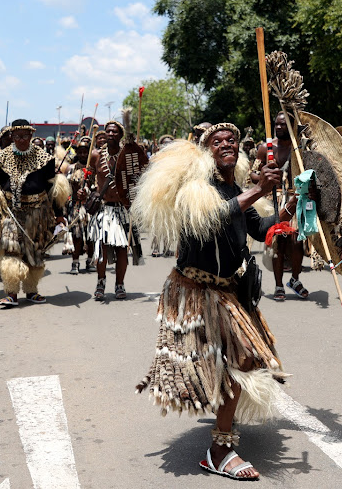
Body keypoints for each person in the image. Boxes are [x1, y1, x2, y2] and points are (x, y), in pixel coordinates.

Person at [133, 123, 296, 481]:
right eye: (217, 141)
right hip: (196, 292)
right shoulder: (196, 188)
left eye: (232, 140)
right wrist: (257, 189)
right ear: (206, 151)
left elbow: (259, 228)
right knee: (237, 361)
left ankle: (222, 438)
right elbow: (212, 217)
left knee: (241, 361)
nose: (227, 144)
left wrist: (292, 205)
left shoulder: (235, 187)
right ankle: (220, 449)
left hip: (230, 291)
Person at [0, 119, 70, 307]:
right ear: (11, 137)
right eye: (17, 136)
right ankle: (11, 293)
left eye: (25, 136)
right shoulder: (0, 158)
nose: (21, 139)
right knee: (10, 250)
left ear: (31, 136)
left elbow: (52, 189)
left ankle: (31, 290)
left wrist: (59, 214)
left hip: (37, 213)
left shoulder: (44, 158)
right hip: (10, 212)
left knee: (34, 252)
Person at [251, 111, 309, 301]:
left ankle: (295, 279)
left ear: (292, 126)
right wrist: (266, 177)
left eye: (283, 125)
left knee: (297, 242)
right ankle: (278, 285)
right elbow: (252, 175)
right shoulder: (266, 149)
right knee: (279, 242)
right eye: (276, 124)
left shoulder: (301, 149)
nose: (278, 127)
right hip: (274, 200)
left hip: (295, 198)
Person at [85, 119, 131, 300]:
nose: (111, 134)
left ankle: (120, 284)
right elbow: (88, 179)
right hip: (104, 209)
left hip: (122, 209)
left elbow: (138, 178)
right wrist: (85, 191)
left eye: (115, 132)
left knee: (122, 249)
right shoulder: (96, 155)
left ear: (121, 135)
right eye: (108, 131)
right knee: (101, 248)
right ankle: (101, 282)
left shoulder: (128, 155)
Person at [65, 138, 95, 273]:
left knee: (91, 236)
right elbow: (66, 187)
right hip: (76, 206)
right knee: (76, 235)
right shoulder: (71, 168)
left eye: (85, 152)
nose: (83, 155)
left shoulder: (93, 169)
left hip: (90, 206)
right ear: (77, 153)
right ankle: (75, 262)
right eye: (80, 152)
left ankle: (90, 261)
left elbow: (97, 187)